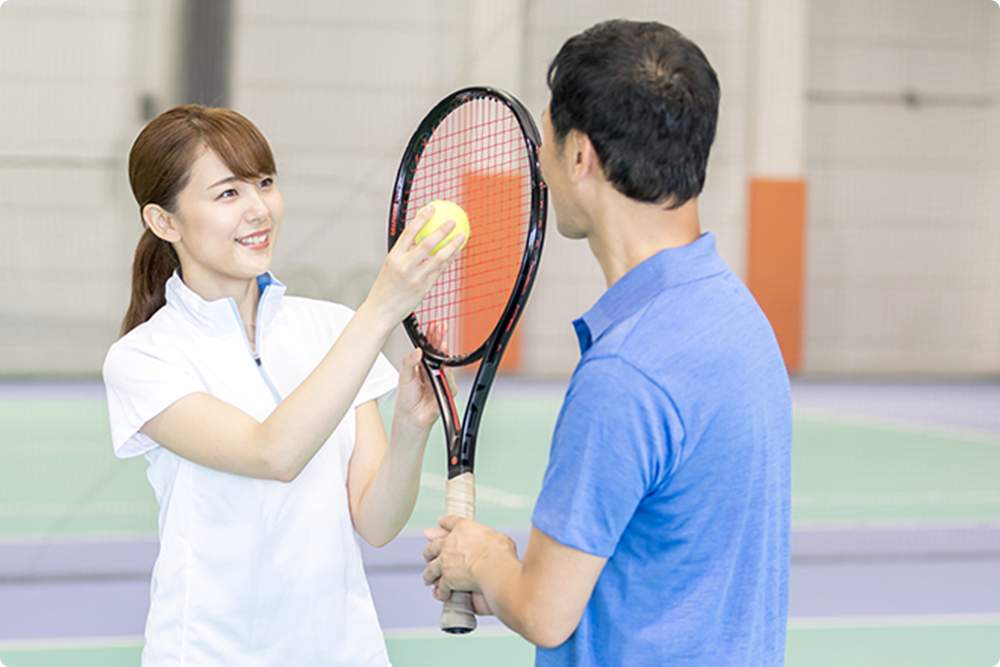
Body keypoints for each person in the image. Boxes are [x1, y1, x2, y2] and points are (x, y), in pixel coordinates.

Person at [422, 19, 792, 667]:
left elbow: (544, 610)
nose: (538, 160)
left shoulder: (625, 370)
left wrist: (482, 555)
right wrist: (502, 579)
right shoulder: (738, 316)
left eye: (545, 139)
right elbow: (660, 565)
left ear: (580, 155)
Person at [103, 104, 464, 666]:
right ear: (164, 221)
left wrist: (411, 429)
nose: (259, 210)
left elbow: (375, 522)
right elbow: (273, 452)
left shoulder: (331, 328)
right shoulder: (145, 358)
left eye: (265, 184)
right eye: (228, 194)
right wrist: (380, 310)